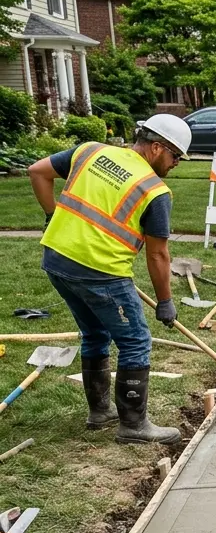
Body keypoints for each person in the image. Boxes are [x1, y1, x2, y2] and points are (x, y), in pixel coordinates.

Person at [29, 114, 192, 445]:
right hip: (101, 272)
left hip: (57, 260)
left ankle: (100, 411)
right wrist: (165, 301)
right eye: (175, 156)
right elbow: (158, 255)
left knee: (95, 332)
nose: (176, 163)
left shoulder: (89, 151)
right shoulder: (154, 190)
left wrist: (51, 215)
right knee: (135, 341)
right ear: (157, 147)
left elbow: (37, 172)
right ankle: (134, 425)